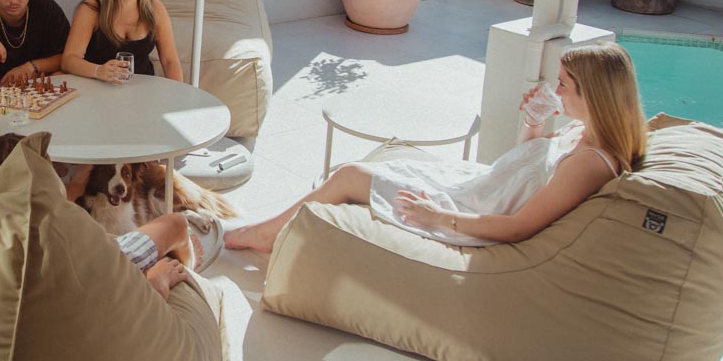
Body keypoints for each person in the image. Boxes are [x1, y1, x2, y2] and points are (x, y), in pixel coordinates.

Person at [225, 43, 647, 252]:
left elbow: (520, 226)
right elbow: (529, 170)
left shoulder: (591, 162)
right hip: (482, 185)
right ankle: (265, 230)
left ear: (595, 95)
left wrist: (438, 216)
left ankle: (261, 235)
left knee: (348, 175)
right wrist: (534, 125)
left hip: (472, 209)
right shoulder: (583, 133)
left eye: (564, 85)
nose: (555, 90)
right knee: (361, 168)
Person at [0, 133, 211, 300]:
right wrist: (155, 280)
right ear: (47, 188)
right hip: (97, 273)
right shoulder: (76, 237)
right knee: (177, 225)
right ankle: (162, 281)